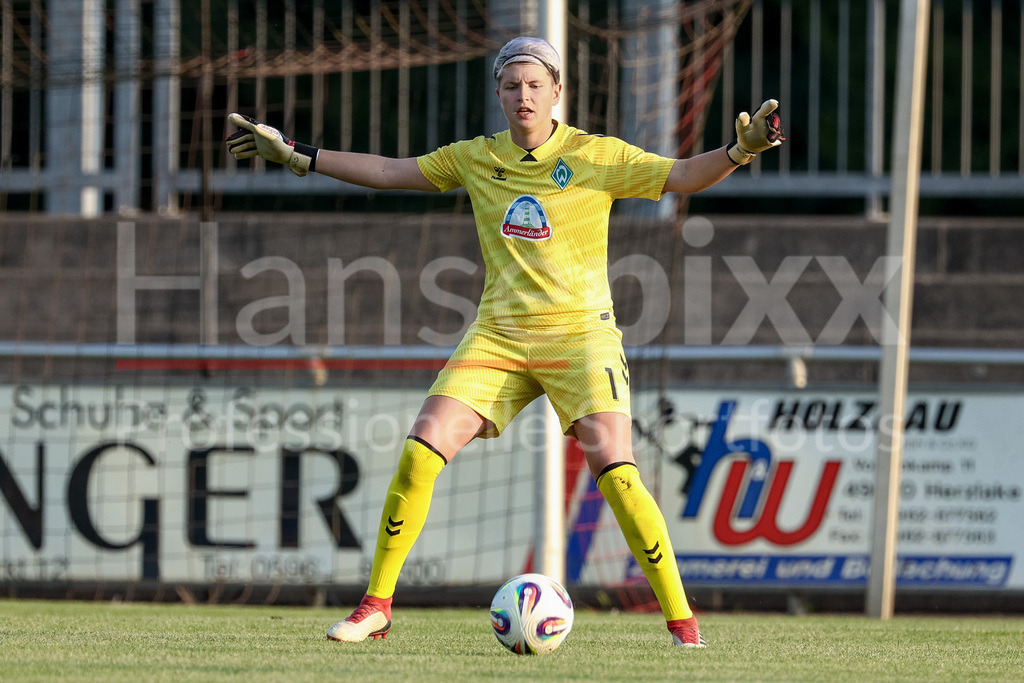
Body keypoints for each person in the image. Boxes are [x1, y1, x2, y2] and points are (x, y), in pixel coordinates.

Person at [226, 36, 785, 649]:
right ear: (498, 93)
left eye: (534, 85)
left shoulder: (595, 156)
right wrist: (300, 156)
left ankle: (683, 626)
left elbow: (681, 176)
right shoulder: (476, 157)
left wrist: (738, 151)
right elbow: (389, 172)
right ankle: (376, 606)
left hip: (581, 339)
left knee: (619, 475)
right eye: (512, 85)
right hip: (498, 336)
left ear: (556, 94)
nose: (523, 96)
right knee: (419, 451)